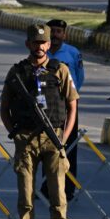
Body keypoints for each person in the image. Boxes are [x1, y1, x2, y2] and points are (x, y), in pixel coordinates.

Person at [1, 23, 78, 219]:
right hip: (26, 139)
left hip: (53, 138)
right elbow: (4, 108)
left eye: (43, 43)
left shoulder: (60, 70)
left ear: (49, 45)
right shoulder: (17, 72)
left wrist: (64, 139)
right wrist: (15, 133)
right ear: (28, 44)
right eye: (35, 42)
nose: (40, 47)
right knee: (26, 194)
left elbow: (72, 105)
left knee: (58, 194)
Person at [39, 19, 83, 201]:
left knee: (69, 146)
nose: (56, 35)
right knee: (46, 146)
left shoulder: (73, 53)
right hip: (47, 106)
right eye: (53, 31)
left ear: (64, 34)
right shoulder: (41, 51)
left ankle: (69, 188)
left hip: (67, 105)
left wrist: (70, 97)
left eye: (59, 31)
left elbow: (79, 77)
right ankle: (46, 188)